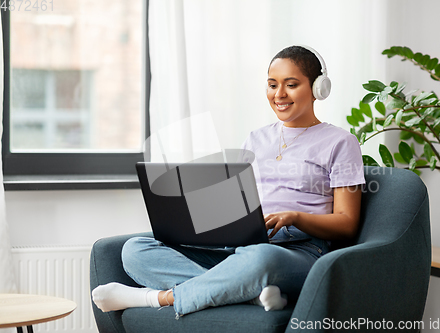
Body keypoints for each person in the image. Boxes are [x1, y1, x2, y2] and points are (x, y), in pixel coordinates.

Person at [92, 45, 365, 319]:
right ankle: (248, 294)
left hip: (297, 251)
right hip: (239, 249)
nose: (279, 94)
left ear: (318, 88)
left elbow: (347, 223)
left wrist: (295, 217)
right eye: (272, 85)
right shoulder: (255, 139)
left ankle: (156, 298)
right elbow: (241, 202)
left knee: (260, 260)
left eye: (291, 85)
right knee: (136, 250)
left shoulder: (341, 143)